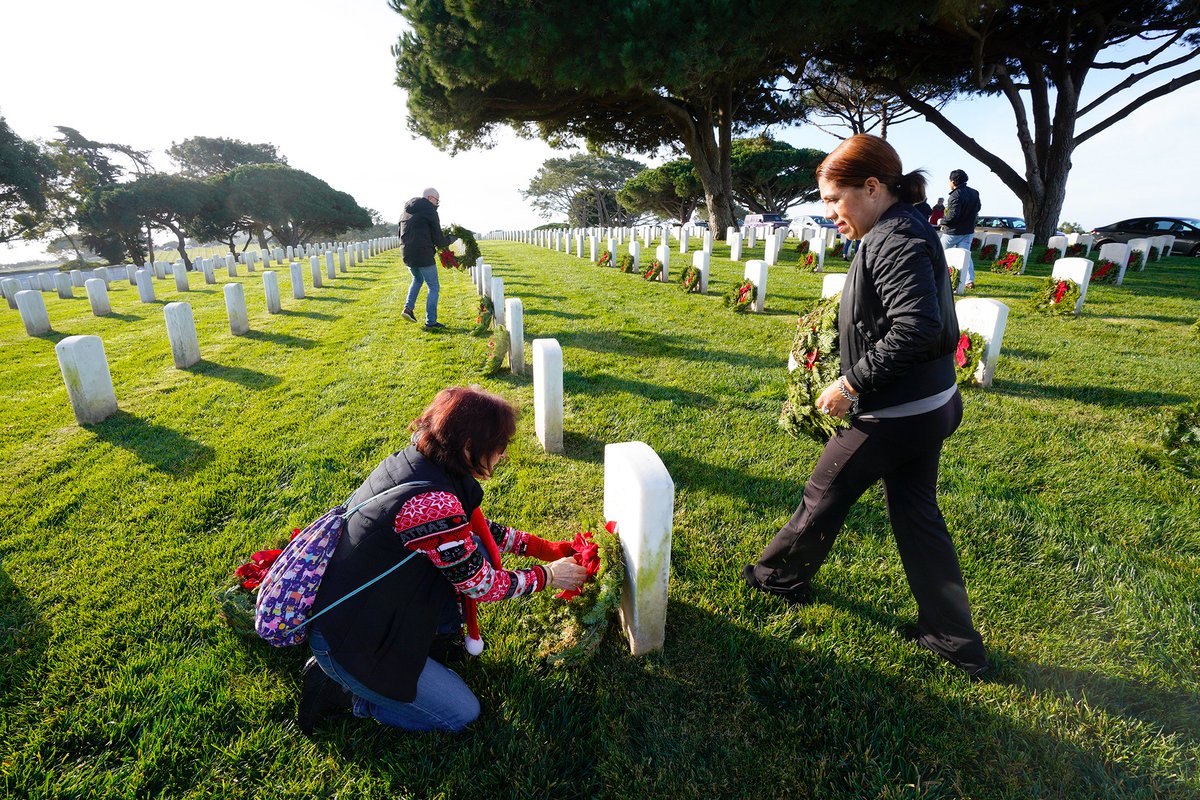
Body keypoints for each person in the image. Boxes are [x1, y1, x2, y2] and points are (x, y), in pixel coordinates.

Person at [743, 134, 989, 679]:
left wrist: (852, 383)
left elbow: (918, 327)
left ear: (873, 187)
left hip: (893, 415)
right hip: (931, 405)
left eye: (835, 199)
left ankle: (772, 579)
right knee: (917, 516)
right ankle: (953, 639)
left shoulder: (893, 238)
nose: (829, 213)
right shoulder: (901, 226)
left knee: (822, 496)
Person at [298, 387, 588, 734]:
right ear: (468, 445)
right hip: (353, 641)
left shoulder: (416, 463)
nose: (503, 454)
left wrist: (540, 548)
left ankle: (428, 643)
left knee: (470, 553)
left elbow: (467, 530)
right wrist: (548, 576)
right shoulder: (431, 503)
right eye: (498, 445)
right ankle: (345, 693)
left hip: (367, 612)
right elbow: (482, 585)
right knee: (461, 713)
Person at [399, 187, 452, 330]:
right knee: (433, 287)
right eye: (437, 200)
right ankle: (431, 322)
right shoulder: (430, 211)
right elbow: (439, 240)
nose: (437, 204)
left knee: (417, 279)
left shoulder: (405, 212)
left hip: (407, 253)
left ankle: (408, 309)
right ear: (429, 198)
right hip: (423, 254)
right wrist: (451, 238)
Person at [939, 170, 980, 289]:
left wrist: (941, 221)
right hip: (968, 230)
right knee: (965, 255)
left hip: (953, 232)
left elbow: (952, 216)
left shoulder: (955, 195)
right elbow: (978, 208)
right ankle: (969, 280)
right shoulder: (974, 193)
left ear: (952, 181)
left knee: (939, 253)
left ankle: (935, 277)